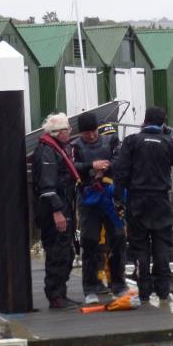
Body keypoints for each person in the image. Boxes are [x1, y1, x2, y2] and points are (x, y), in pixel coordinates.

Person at [113, 106, 173, 302]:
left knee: (140, 246)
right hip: (160, 200)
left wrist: (118, 198)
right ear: (163, 123)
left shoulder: (132, 141)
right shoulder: (167, 142)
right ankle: (163, 290)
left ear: (145, 121)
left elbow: (121, 171)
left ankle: (144, 290)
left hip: (137, 200)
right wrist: (169, 137)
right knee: (162, 245)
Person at [71, 111, 126, 305]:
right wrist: (91, 166)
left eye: (94, 131)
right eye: (87, 133)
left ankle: (118, 284)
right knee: (89, 241)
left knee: (118, 238)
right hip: (88, 201)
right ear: (81, 133)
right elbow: (71, 167)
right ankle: (90, 287)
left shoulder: (111, 141)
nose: (92, 136)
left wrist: (106, 167)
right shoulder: (75, 146)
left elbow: (121, 161)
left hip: (110, 199)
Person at [32, 113, 80, 309]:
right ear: (59, 133)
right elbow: (47, 185)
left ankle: (60, 292)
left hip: (64, 205)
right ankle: (55, 295)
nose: (70, 132)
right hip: (54, 210)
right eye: (67, 129)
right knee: (58, 252)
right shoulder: (47, 152)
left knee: (65, 252)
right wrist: (57, 211)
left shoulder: (56, 149)